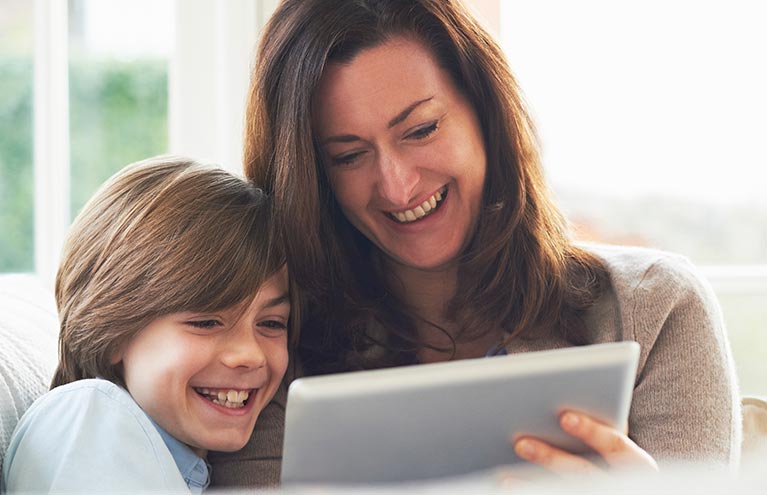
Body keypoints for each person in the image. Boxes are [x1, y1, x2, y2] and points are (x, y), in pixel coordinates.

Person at [208, 0, 741, 487]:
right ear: (313, 178)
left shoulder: (655, 306)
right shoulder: (271, 349)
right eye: (348, 156)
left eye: (421, 130)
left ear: (487, 116)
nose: (398, 185)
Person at [2, 156, 294, 493]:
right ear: (111, 335)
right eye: (206, 322)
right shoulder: (89, 417)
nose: (250, 354)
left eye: (272, 323)